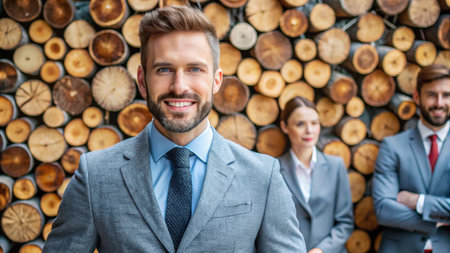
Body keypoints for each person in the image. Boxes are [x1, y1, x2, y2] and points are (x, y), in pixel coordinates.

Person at [43, 6, 306, 253]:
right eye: (164, 69)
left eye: (195, 69)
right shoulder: (95, 176)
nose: (179, 86)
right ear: (143, 81)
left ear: (216, 81)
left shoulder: (263, 177)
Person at [373, 64, 450, 252]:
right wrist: (437, 222)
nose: (439, 103)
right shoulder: (392, 146)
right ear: (417, 96)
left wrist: (419, 202)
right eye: (431, 94)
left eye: (446, 95)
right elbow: (384, 210)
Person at [278, 96, 353, 253]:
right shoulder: (274, 169)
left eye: (314, 123)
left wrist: (321, 250)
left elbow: (345, 222)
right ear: (285, 127)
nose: (309, 130)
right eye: (300, 124)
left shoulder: (336, 166)